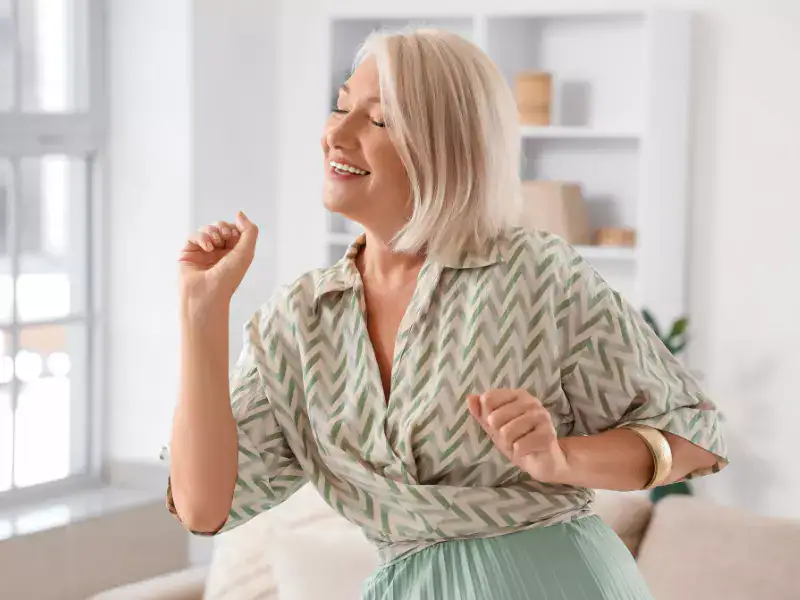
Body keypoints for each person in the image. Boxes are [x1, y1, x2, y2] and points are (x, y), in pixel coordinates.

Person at [165, 28, 728, 599]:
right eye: (340, 108)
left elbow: (695, 435)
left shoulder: (533, 274)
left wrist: (561, 458)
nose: (337, 132)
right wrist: (201, 313)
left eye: (378, 120)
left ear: (443, 146)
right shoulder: (298, 319)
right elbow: (203, 507)